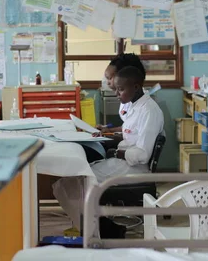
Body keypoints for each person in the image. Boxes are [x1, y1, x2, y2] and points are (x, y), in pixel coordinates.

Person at [53, 66, 164, 238]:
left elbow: (142, 155)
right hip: (124, 162)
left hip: (133, 168)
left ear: (136, 87)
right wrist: (106, 136)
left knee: (71, 183)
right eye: (116, 89)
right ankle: (102, 228)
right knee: (69, 181)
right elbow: (130, 135)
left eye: (121, 89)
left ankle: (103, 232)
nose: (117, 94)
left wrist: (116, 153)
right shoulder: (135, 106)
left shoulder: (149, 111)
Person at [97, 53, 147, 135]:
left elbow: (139, 139)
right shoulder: (127, 98)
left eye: (109, 78)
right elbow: (129, 127)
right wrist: (110, 130)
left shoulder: (143, 108)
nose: (107, 82)